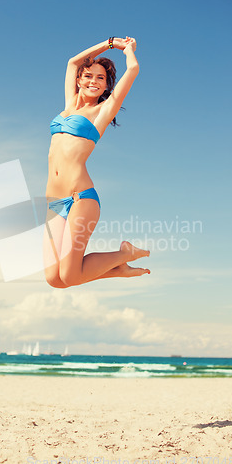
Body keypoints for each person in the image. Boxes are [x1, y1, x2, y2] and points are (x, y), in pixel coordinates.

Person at [43, 37, 150, 288]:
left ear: (105, 87)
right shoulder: (68, 105)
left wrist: (128, 50)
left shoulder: (102, 112)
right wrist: (109, 43)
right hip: (53, 202)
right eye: (89, 76)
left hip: (80, 197)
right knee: (53, 279)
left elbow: (133, 70)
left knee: (69, 275)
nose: (94, 81)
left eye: (101, 78)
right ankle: (119, 270)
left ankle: (125, 254)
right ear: (80, 80)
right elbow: (72, 62)